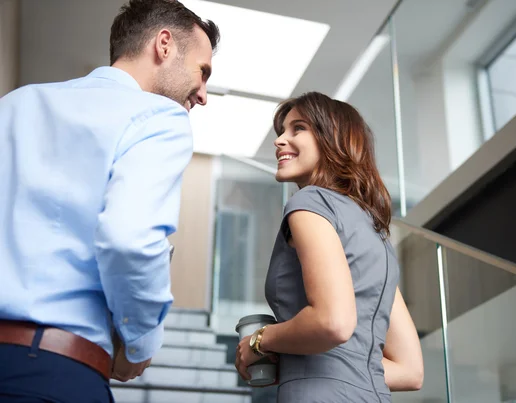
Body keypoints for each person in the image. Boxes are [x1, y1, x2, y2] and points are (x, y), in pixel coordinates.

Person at [0, 1, 219, 402]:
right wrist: (139, 345)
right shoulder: (160, 118)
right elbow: (129, 239)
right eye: (202, 72)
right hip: (53, 374)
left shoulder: (14, 105)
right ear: (164, 45)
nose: (203, 94)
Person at [235, 92, 424, 402]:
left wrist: (260, 340)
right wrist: (301, 359)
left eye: (298, 128)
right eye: (282, 131)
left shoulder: (309, 202)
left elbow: (333, 323)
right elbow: (410, 370)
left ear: (332, 139)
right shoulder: (374, 234)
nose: (280, 140)